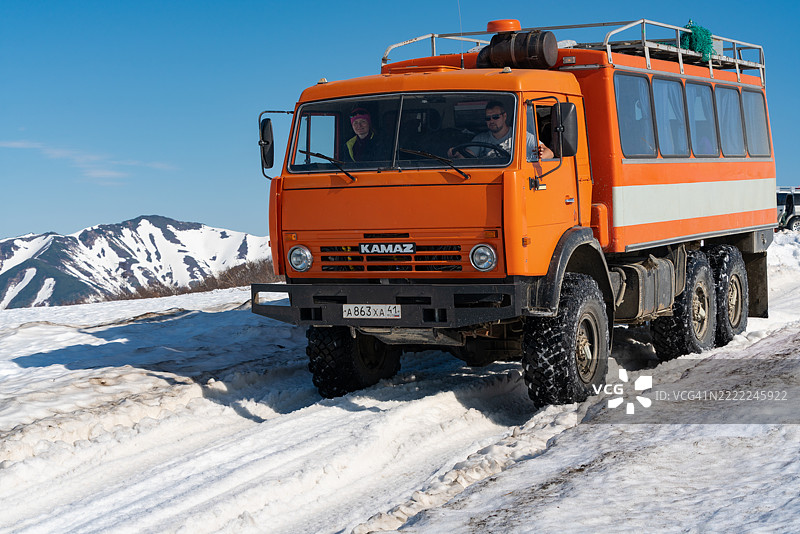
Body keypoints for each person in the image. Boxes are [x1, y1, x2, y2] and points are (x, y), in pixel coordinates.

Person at [447, 101, 554, 160]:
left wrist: (542, 155)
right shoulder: (481, 139)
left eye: (495, 117)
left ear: (504, 116)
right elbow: (468, 155)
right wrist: (455, 154)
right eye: (488, 118)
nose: (491, 121)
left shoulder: (521, 136)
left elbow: (549, 153)